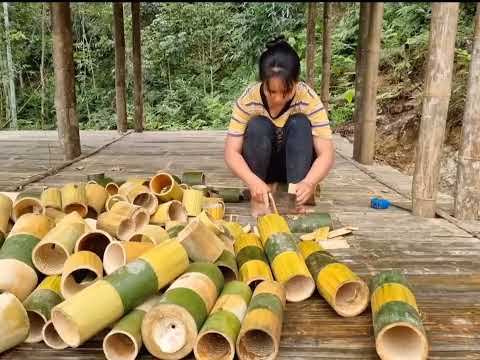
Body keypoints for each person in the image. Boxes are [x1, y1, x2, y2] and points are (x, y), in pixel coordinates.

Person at [224, 36, 335, 217]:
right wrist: (252, 182)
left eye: (286, 92)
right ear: (262, 82)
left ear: (297, 82)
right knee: (257, 125)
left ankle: (294, 198)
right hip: (262, 171)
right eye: (272, 91)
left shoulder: (308, 98)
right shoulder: (248, 100)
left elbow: (327, 153)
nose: (277, 99)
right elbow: (231, 152)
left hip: (293, 169)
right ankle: (260, 196)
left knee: (300, 123)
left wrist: (309, 182)